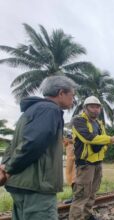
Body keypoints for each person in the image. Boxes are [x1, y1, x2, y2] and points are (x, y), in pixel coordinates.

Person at [0, 76, 77, 220]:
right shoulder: (50, 110)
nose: (73, 100)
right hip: (37, 186)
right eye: (72, 95)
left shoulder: (31, 111)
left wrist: (5, 166)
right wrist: (9, 168)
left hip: (22, 183)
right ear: (61, 93)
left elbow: (15, 144)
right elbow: (33, 143)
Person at [68, 96, 114, 220]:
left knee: (92, 193)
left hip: (97, 163)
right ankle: (76, 217)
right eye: (92, 107)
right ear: (85, 108)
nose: (95, 110)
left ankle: (87, 215)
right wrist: (112, 139)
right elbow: (88, 138)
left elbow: (104, 140)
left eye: (98, 107)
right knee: (82, 194)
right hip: (85, 163)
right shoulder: (78, 121)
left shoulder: (99, 123)